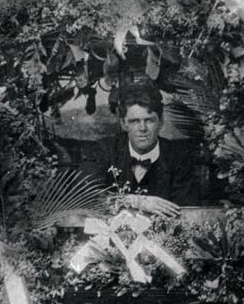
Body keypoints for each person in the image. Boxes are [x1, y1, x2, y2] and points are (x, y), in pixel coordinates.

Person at [83, 82, 198, 217]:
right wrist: (136, 201)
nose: (142, 129)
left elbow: (185, 212)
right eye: (135, 121)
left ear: (161, 122)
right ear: (123, 124)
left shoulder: (179, 158)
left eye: (149, 120)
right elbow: (84, 195)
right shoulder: (103, 150)